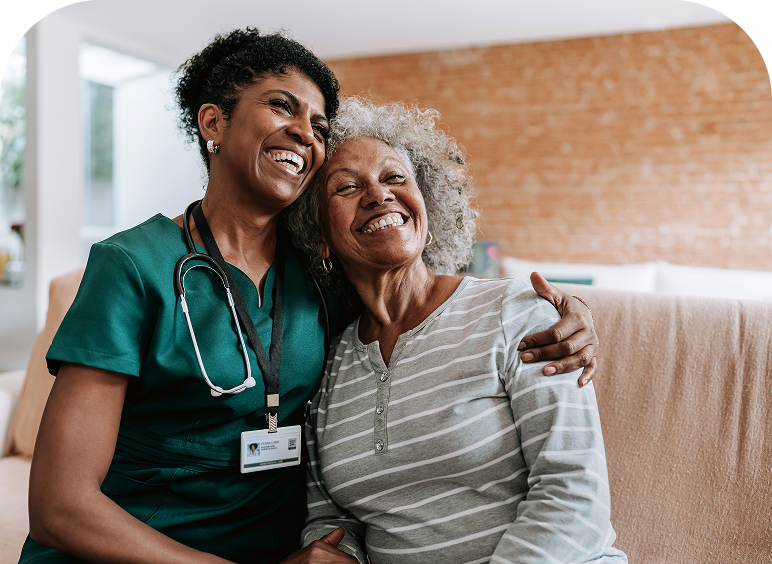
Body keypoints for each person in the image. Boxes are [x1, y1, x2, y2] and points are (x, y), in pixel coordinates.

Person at [21, 29, 598, 564]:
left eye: (320, 125)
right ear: (213, 123)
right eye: (281, 105)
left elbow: (416, 308)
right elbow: (59, 505)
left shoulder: (323, 279)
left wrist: (577, 317)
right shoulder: (131, 265)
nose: (305, 132)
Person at [287, 98, 627, 563]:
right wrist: (332, 552)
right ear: (319, 234)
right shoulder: (326, 365)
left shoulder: (518, 315)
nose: (378, 194)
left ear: (425, 206)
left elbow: (574, 497)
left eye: (394, 178)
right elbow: (332, 516)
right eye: (346, 188)